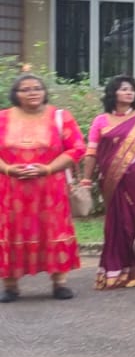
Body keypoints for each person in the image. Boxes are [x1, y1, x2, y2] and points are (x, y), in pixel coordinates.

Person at [0, 74, 87, 302]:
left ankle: (59, 284)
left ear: (44, 92)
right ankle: (10, 286)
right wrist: (9, 169)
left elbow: (77, 148)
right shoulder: (3, 118)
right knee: (11, 231)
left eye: (37, 88)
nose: (32, 92)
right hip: (11, 190)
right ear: (15, 94)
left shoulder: (60, 117)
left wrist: (47, 169)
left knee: (53, 230)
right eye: (25, 89)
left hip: (50, 190)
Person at [81, 76, 135, 290]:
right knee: (116, 226)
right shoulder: (101, 120)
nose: (129, 93)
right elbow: (91, 153)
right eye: (123, 89)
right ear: (113, 94)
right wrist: (86, 180)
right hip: (111, 181)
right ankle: (115, 271)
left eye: (132, 90)